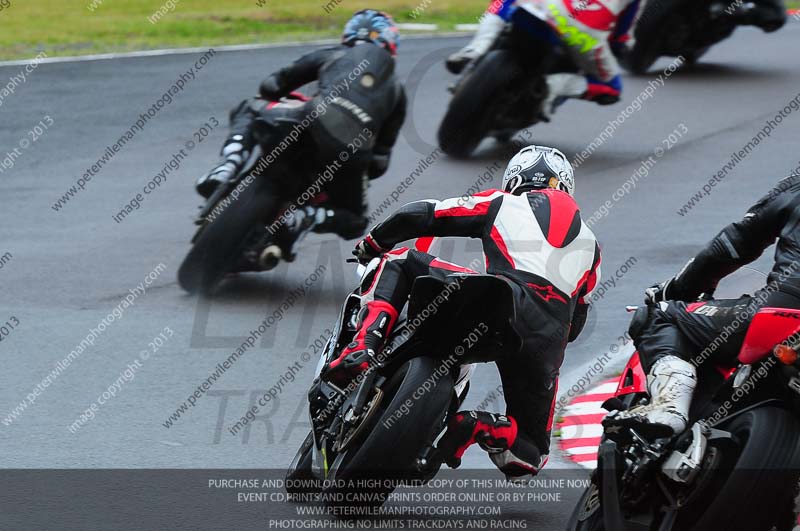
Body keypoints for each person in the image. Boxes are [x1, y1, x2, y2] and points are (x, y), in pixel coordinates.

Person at [324, 144, 602, 478]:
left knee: (397, 259)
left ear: (514, 180)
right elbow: (576, 324)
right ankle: (474, 426)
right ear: (565, 186)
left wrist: (372, 244)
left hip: (503, 298)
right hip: (548, 341)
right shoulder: (592, 244)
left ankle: (363, 345)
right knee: (530, 454)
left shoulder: (503, 201)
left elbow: (422, 214)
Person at [195, 10, 407, 264]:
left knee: (250, 106)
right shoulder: (398, 91)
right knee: (355, 221)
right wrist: (350, 174)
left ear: (347, 34)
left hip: (307, 117)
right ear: (391, 42)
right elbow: (380, 162)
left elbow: (272, 85)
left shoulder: (335, 53)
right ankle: (305, 216)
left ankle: (228, 164)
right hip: (353, 152)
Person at [609, 175, 800, 436]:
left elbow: (733, 245)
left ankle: (668, 407)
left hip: (785, 310)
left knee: (661, 315)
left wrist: (676, 289)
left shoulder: (795, 187)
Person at [446, 0, 644, 117]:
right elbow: (623, 32)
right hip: (583, 36)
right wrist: (618, 46)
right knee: (612, 87)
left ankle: (475, 49)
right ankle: (551, 88)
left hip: (545, 7)